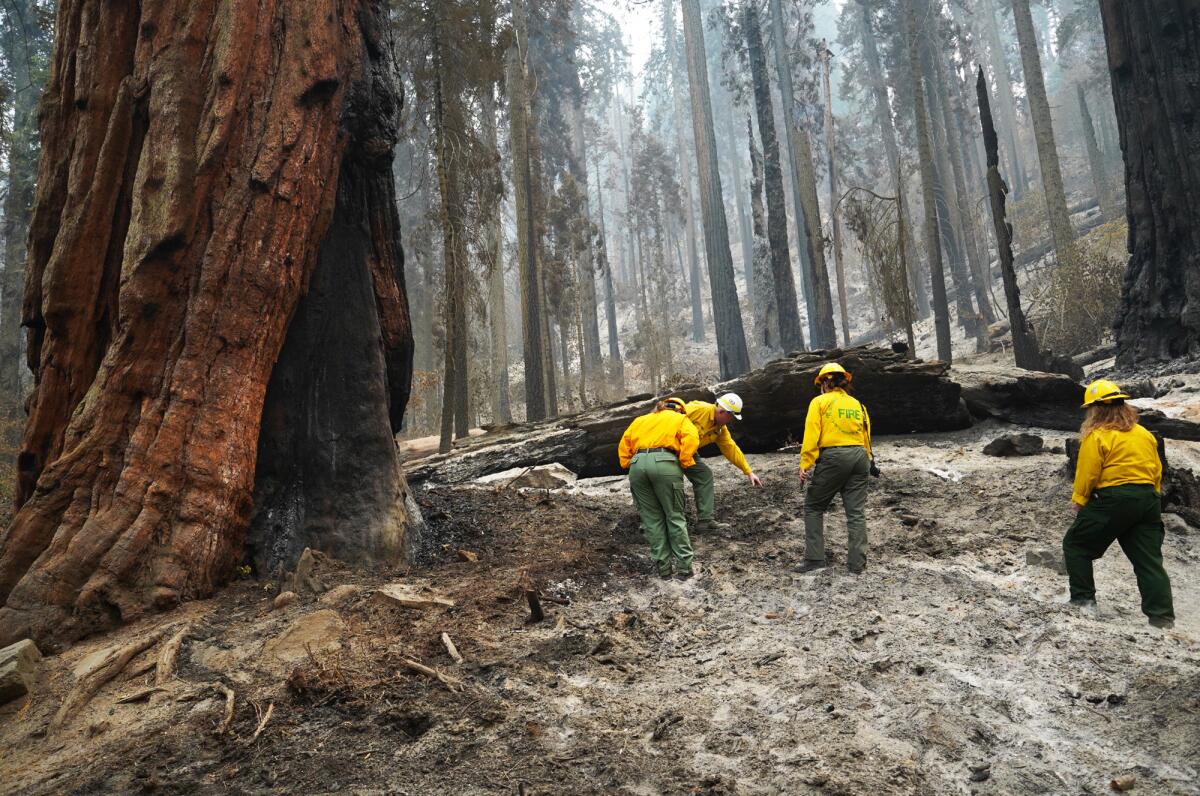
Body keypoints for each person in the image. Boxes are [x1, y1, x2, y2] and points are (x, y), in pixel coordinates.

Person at [1063, 379, 1174, 628]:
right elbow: (1156, 470)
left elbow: (1088, 471)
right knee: (1148, 561)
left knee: (1076, 545)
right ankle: (1162, 616)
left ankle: (1083, 602)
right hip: (1148, 500)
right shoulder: (1144, 434)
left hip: (1114, 498)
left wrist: (1079, 500)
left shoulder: (1097, 435)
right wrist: (1150, 498)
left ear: (1097, 408)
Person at [796, 363, 876, 574]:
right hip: (860, 457)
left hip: (834, 457)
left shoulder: (819, 402)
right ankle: (857, 565)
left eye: (820, 383)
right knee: (856, 513)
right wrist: (868, 461)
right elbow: (866, 435)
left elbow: (811, 434)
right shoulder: (858, 405)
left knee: (813, 506)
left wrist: (806, 463)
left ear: (825, 382)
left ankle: (814, 559)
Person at [618, 397, 701, 580]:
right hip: (665, 462)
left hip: (638, 466)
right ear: (680, 409)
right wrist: (685, 460)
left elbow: (624, 444)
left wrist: (627, 463)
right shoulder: (680, 419)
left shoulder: (640, 420)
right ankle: (684, 569)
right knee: (674, 515)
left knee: (651, 519)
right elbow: (692, 438)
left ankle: (663, 570)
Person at [683, 393, 763, 533]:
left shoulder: (720, 429)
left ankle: (705, 522)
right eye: (730, 416)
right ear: (722, 411)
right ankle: (662, 525)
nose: (731, 420)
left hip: (688, 452)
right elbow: (667, 418)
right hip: (669, 449)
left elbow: (730, 448)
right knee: (669, 481)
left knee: (704, 475)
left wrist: (748, 471)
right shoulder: (697, 409)